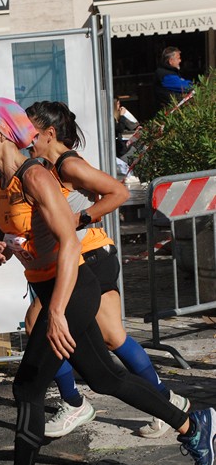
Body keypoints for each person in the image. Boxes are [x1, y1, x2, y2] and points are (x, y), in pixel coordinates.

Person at [0, 96, 216, 465]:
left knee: (27, 388)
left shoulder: (36, 177)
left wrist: (56, 312)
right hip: (53, 287)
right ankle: (192, 423)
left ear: (3, 132)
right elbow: (9, 238)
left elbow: (70, 245)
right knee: (104, 378)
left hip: (74, 288)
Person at [24, 100, 190, 440]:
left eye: (31, 132)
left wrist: (80, 218)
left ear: (49, 133)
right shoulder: (47, 166)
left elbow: (119, 191)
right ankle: (168, 402)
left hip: (90, 256)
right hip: (84, 257)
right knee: (113, 337)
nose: (26, 139)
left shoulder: (67, 164)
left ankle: (75, 403)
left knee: (38, 321)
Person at [153, 47, 193, 111]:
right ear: (170, 61)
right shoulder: (165, 74)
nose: (180, 60)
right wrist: (193, 84)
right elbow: (185, 86)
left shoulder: (169, 72)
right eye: (178, 58)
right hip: (169, 113)